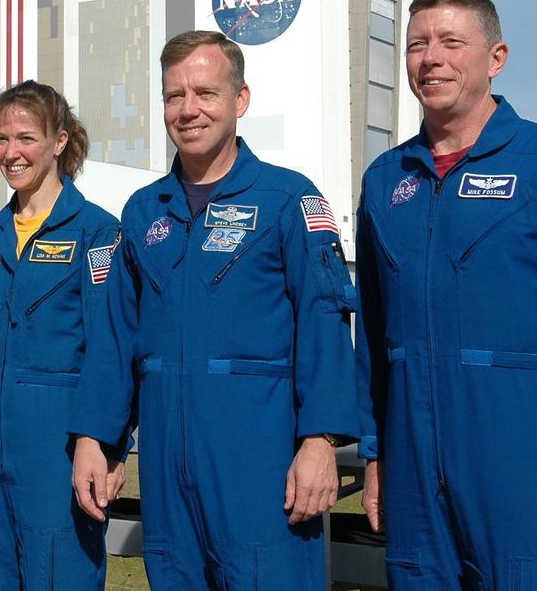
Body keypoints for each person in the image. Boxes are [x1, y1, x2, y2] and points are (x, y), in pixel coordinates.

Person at [353, 0, 537, 588]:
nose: (431, 58)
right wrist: (377, 453)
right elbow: (373, 337)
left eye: (452, 42)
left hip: (526, 471)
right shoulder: (385, 180)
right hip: (414, 476)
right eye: (417, 44)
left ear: (496, 59)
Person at [71, 31, 359, 589]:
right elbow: (114, 337)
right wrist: (96, 437)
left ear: (240, 101)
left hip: (259, 466)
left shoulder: (288, 200)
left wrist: (321, 441)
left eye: (205, 92)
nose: (188, 109)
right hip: (166, 469)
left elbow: (325, 324)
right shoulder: (141, 213)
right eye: (174, 95)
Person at [0, 81, 122, 591]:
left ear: (59, 141)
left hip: (57, 452)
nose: (10, 152)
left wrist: (106, 447)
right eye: (2, 138)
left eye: (25, 138)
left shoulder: (97, 235)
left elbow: (110, 352)